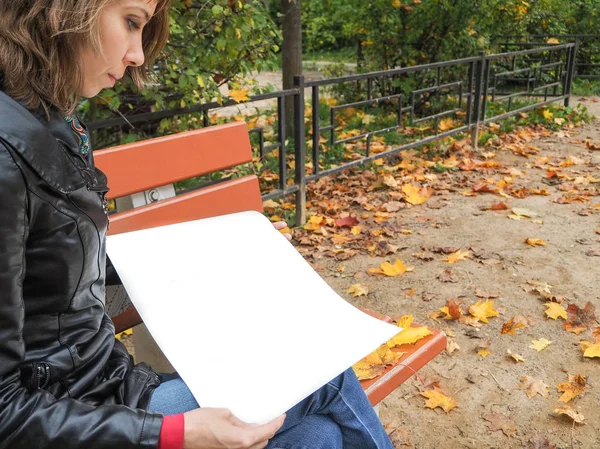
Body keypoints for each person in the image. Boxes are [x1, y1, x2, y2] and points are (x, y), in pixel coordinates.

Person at [0, 1, 395, 448]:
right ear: (62, 9)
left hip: (107, 391)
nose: (137, 55)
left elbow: (58, 268)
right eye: (131, 23)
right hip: (81, 419)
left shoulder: (47, 117)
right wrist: (176, 434)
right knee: (324, 372)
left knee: (319, 435)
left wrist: (233, 250)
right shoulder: (8, 151)